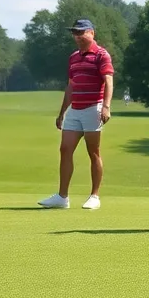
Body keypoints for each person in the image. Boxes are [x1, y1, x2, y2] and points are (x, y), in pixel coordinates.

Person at [38, 19, 113, 210]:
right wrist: (62, 113)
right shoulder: (73, 57)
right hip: (75, 109)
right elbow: (71, 86)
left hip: (93, 108)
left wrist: (106, 106)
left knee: (93, 152)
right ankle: (62, 197)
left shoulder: (101, 55)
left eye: (81, 32)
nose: (77, 37)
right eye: (75, 33)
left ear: (92, 33)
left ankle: (94, 196)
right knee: (65, 149)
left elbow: (108, 81)